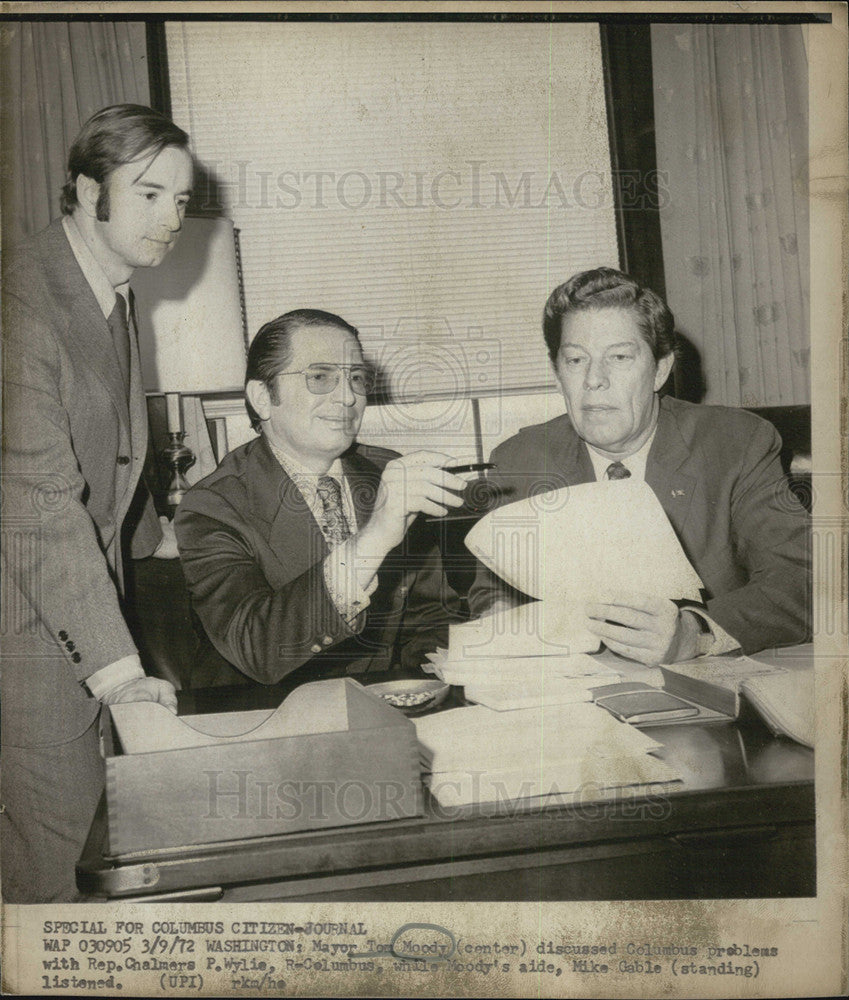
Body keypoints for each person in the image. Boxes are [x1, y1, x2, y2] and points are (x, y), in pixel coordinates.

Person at [1, 104, 191, 902]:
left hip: (74, 605)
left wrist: (156, 539)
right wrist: (118, 675)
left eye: (180, 200)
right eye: (148, 194)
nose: (170, 218)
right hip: (25, 627)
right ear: (86, 190)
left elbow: (106, 443)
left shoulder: (109, 284)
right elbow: (37, 498)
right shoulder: (20, 302)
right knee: (64, 872)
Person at [469, 267, 811, 663]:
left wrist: (695, 633)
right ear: (557, 372)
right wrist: (500, 619)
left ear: (660, 370)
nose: (594, 380)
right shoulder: (520, 459)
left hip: (709, 676)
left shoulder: (736, 443)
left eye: (619, 357)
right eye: (576, 359)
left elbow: (803, 579)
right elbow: (495, 588)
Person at [175, 309, 468, 686]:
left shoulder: (385, 472)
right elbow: (255, 646)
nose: (348, 397)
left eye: (357, 378)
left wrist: (430, 679)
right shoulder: (214, 505)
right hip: (265, 721)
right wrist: (374, 538)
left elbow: (430, 617)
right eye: (320, 377)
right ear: (263, 398)